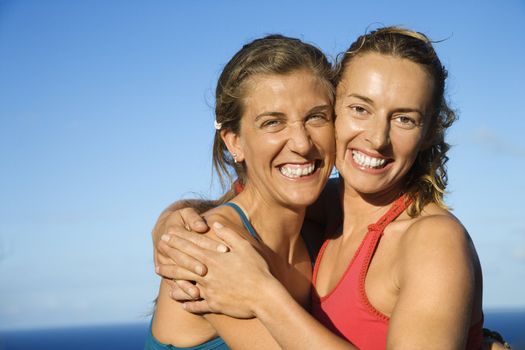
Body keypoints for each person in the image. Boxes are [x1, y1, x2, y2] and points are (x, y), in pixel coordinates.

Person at [153, 27, 511, 349]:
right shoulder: (229, 246)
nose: (376, 138)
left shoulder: (430, 239)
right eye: (360, 108)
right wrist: (172, 221)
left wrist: (262, 295)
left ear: (429, 131)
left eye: (404, 118)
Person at [145, 34, 337, 349]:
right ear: (234, 142)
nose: (302, 144)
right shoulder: (213, 251)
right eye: (273, 123)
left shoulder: (319, 236)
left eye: (316, 117)